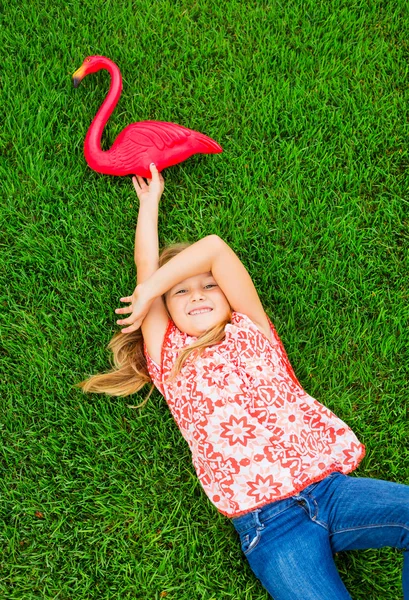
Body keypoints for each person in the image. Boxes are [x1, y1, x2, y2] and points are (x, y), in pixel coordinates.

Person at [77, 164, 409, 599]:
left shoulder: (251, 327)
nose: (196, 294)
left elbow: (214, 248)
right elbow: (146, 267)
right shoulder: (167, 357)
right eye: (180, 291)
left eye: (208, 286)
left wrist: (160, 282)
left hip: (330, 491)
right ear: (164, 309)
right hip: (271, 528)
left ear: (227, 295)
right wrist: (149, 207)